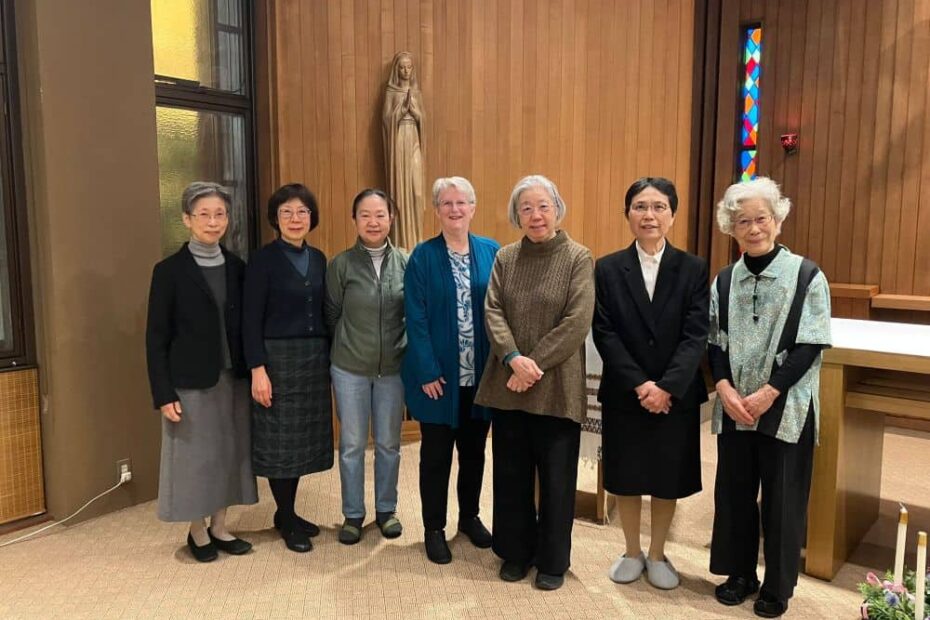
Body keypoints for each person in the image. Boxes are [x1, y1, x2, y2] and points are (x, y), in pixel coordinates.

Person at [708, 177, 831, 618]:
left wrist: (768, 392)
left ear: (777, 220)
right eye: (744, 221)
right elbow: (715, 343)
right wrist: (723, 388)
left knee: (782, 497)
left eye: (762, 218)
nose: (754, 227)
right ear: (732, 226)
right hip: (734, 404)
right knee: (735, 493)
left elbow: (810, 343)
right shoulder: (724, 281)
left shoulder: (806, 275)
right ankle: (739, 573)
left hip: (786, 407)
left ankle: (777, 587)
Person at [474, 174, 595, 591]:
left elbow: (578, 321)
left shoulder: (579, 257)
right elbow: (493, 311)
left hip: (556, 388)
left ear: (557, 209)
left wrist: (531, 365)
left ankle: (552, 561)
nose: (535, 215)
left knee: (559, 481)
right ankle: (515, 552)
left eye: (543, 206)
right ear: (516, 215)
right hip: (509, 384)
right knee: (511, 475)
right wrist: (512, 358)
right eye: (526, 208)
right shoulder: (506, 257)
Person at [593, 177, 709, 591]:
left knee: (666, 475)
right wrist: (641, 385)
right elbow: (604, 332)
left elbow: (696, 334)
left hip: (674, 395)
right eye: (640, 206)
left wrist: (667, 388)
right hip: (627, 392)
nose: (649, 215)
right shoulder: (607, 267)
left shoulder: (693, 268)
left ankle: (658, 553)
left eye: (659, 207)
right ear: (628, 215)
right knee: (626, 473)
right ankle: (630, 550)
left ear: (672, 215)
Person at [145, 181, 257, 562]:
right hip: (190, 380)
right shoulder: (169, 271)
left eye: (220, 214)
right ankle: (197, 530)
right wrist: (163, 393)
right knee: (195, 458)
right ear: (187, 219)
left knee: (230, 453)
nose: (213, 222)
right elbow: (155, 338)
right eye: (204, 214)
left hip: (234, 378)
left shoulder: (238, 268)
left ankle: (220, 526)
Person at [402, 176, 500, 564]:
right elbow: (416, 318)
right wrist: (426, 371)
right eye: (447, 203)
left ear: (473, 208)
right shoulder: (422, 257)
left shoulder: (492, 251)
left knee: (474, 453)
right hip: (438, 380)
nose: (455, 209)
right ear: (437, 210)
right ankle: (433, 528)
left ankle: (470, 517)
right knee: (436, 457)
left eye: (462, 203)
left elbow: (500, 310)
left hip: (480, 377)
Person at [243, 183, 332, 553]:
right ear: (275, 219)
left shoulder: (320, 258)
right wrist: (257, 369)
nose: (295, 219)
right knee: (280, 442)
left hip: (313, 359)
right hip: (276, 360)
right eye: (286, 212)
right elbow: (249, 320)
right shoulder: (263, 260)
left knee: (301, 440)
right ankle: (286, 515)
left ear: (312, 217)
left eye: (302, 212)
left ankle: (287, 514)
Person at [325, 189, 408, 545]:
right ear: (355, 220)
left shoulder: (407, 261)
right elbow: (331, 314)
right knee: (353, 444)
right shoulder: (341, 264)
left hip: (393, 368)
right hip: (349, 368)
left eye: (380, 214)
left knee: (389, 443)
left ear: (391, 218)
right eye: (365, 215)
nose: (373, 222)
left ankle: (386, 510)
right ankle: (353, 514)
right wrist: (347, 346)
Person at [382, 51, 426, 250]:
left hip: (414, 141)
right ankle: (402, 242)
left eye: (409, 66)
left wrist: (415, 113)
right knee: (401, 191)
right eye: (402, 67)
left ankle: (416, 238)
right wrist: (401, 110)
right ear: (396, 69)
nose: (406, 70)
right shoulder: (391, 93)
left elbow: (423, 120)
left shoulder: (416, 93)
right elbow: (386, 120)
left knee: (417, 191)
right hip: (399, 142)